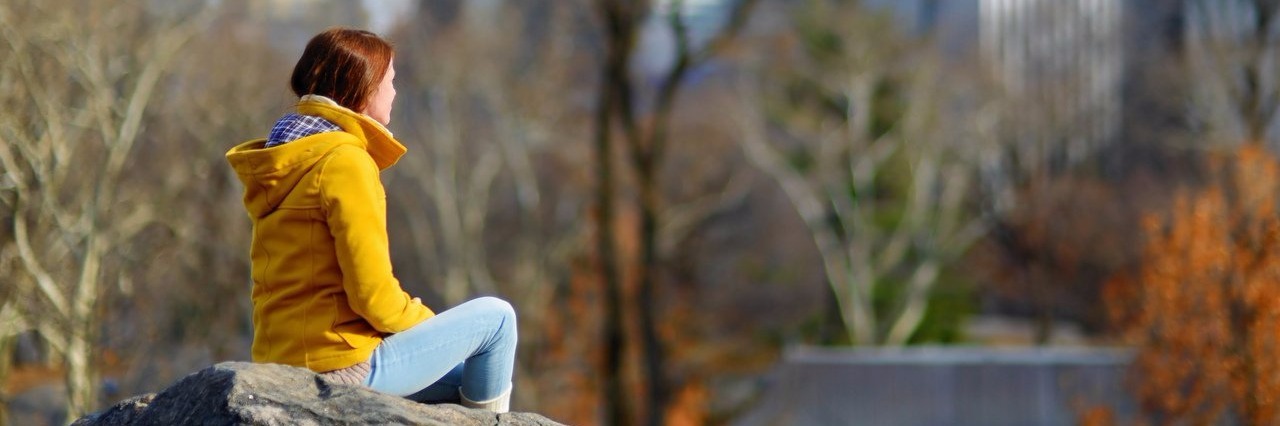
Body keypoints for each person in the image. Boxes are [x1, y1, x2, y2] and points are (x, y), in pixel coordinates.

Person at [225, 27, 517, 413]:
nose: (395, 93)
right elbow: (374, 298)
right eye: (391, 82)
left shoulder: (286, 157)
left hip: (282, 361)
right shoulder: (344, 162)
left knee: (469, 376)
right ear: (364, 88)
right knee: (496, 320)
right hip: (341, 364)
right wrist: (431, 327)